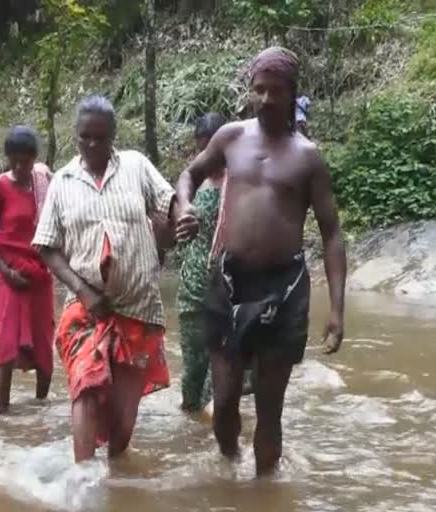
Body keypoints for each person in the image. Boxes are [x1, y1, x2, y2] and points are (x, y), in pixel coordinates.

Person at [175, 47, 347, 476]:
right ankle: (229, 473)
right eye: (259, 90)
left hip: (284, 290)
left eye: (276, 91)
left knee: (270, 409)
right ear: (250, 93)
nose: (266, 99)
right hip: (229, 282)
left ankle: (265, 490)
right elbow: (190, 175)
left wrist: (338, 311)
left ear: (292, 94)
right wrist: (183, 207)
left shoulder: (308, 157)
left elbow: (332, 234)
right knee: (226, 399)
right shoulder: (230, 137)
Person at [32, 95, 197, 462]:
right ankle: (81, 483)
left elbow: (168, 201)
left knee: (124, 421)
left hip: (138, 308)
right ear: (75, 136)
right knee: (86, 388)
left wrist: (184, 214)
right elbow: (46, 246)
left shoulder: (136, 166)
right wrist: (82, 290)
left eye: (101, 137)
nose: (92, 145)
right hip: (86, 309)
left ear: (113, 137)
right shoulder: (62, 181)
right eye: (85, 137)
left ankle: (114, 479)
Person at [0, 126, 55, 414]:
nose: (21, 167)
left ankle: (41, 406)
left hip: (39, 269)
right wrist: (3, 270)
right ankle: (3, 411)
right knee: (7, 338)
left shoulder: (45, 183)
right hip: (7, 270)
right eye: (15, 161)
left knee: (44, 338)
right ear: (8, 159)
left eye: (27, 161)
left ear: (35, 158)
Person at [176, 113, 226, 413]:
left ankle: (216, 437)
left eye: (213, 148)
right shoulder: (195, 184)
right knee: (192, 370)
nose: (208, 156)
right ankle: (191, 433)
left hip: (228, 290)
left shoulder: (241, 182)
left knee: (220, 374)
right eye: (202, 148)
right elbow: (177, 232)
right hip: (193, 289)